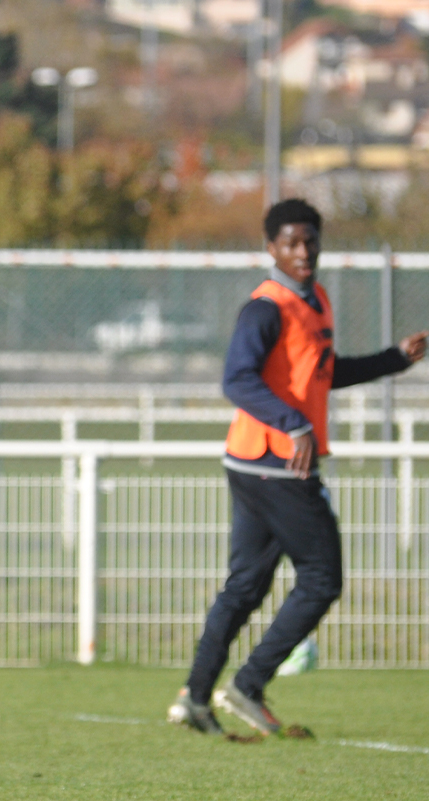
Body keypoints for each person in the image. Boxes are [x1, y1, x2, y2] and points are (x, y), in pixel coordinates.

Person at [169, 198, 427, 735]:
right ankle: (247, 684)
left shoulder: (315, 302)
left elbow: (324, 375)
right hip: (276, 464)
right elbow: (236, 380)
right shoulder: (265, 307)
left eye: (310, 240)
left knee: (245, 586)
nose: (303, 250)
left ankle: (196, 698)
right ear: (271, 248)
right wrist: (293, 423)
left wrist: (394, 359)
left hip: (259, 462)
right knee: (322, 577)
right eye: (291, 242)